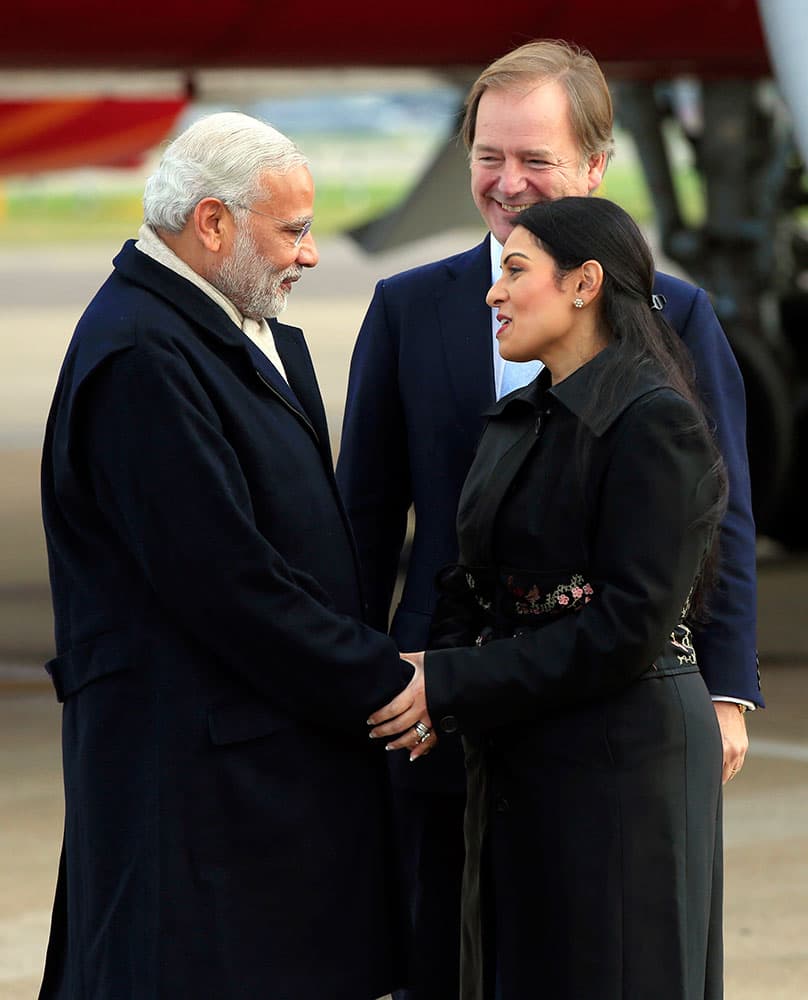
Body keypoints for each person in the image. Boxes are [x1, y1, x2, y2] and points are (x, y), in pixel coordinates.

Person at [337, 39, 762, 1000]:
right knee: (451, 956)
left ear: (594, 170)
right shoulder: (409, 308)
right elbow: (365, 515)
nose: (508, 182)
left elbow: (718, 520)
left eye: (536, 160)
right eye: (490, 156)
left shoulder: (677, 316)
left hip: (595, 712)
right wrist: (358, 678)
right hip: (433, 709)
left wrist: (727, 686)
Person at [38, 112, 413, 1000]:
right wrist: (386, 680)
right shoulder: (140, 353)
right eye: (292, 229)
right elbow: (227, 582)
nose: (310, 255)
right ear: (213, 225)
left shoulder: (246, 328)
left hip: (266, 770)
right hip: (200, 794)